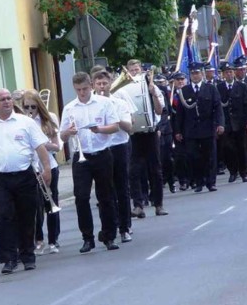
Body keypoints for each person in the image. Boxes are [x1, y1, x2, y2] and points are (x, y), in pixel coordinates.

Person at [0, 89, 51, 275]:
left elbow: (40, 147)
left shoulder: (26, 122)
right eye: (2, 100)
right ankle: (8, 258)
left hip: (25, 175)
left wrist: (46, 168)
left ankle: (28, 256)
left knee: (27, 216)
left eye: (9, 98)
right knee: (4, 216)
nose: (7, 102)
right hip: (0, 179)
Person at [60, 72, 121, 253]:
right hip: (81, 156)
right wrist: (68, 132)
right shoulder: (70, 108)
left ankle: (109, 236)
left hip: (102, 154)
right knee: (81, 197)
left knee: (106, 196)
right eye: (78, 90)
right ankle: (87, 238)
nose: (82, 92)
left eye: (85, 89)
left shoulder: (104, 103)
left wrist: (99, 129)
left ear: (91, 86)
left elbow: (115, 126)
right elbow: (62, 135)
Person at [92, 67, 134, 243]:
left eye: (105, 83)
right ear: (93, 85)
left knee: (121, 188)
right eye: (99, 83)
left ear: (110, 84)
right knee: (104, 191)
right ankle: (108, 228)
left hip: (118, 146)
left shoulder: (119, 103)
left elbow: (129, 127)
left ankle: (125, 227)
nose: (102, 86)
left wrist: (115, 116)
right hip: (100, 149)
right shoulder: (91, 104)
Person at [123, 59, 168, 217]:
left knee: (155, 169)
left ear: (141, 70)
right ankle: (138, 205)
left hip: (150, 132)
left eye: (137, 69)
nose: (135, 72)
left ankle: (159, 204)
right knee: (134, 170)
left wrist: (153, 92)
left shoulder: (152, 86)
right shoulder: (124, 90)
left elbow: (159, 111)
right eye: (132, 70)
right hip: (133, 134)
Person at [22, 90, 62, 255]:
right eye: (26, 106)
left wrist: (40, 144)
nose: (30, 110)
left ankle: (53, 240)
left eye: (33, 106)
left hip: (49, 166)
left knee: (51, 204)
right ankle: (38, 240)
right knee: (35, 206)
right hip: (31, 168)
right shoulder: (21, 120)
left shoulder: (49, 118)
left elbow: (57, 146)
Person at [174, 63, 224, 193]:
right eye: (192, 74)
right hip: (191, 130)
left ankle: (210, 182)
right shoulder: (184, 90)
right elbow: (180, 113)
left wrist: (220, 124)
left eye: (197, 73)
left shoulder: (210, 88)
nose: (195, 76)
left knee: (210, 157)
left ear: (202, 74)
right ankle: (198, 182)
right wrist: (178, 131)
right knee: (193, 157)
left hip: (207, 127)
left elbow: (218, 108)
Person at [217, 65, 247, 183]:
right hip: (226, 124)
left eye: (231, 72)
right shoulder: (218, 88)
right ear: (223, 74)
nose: (229, 74)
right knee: (228, 149)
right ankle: (233, 171)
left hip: (240, 122)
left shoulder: (241, 86)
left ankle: (244, 173)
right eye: (226, 72)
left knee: (242, 148)